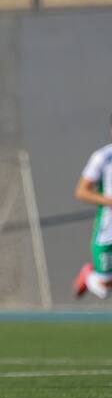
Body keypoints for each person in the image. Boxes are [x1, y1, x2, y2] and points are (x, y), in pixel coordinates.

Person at [72, 114, 112, 299]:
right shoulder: (103, 157)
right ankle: (88, 274)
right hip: (107, 231)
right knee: (104, 289)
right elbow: (81, 191)